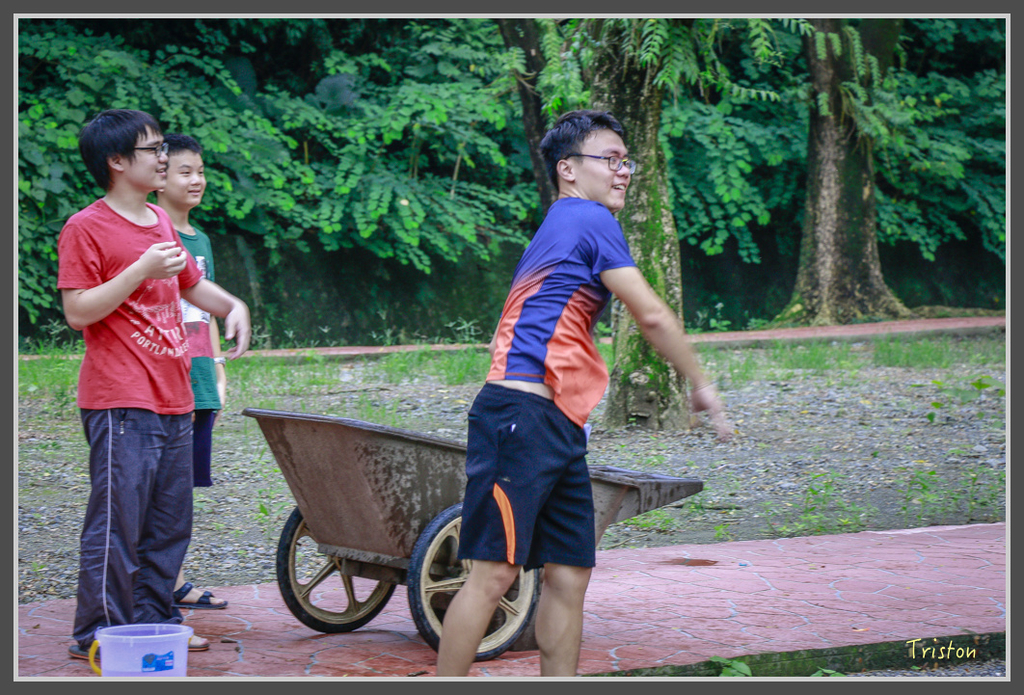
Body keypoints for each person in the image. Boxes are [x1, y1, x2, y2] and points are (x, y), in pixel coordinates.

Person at [435, 110, 732, 677]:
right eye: (610, 160)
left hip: (559, 428)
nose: (623, 172)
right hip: (518, 418)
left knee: (569, 575)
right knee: (494, 574)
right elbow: (651, 315)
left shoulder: (570, 223)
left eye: (627, 162)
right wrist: (701, 383)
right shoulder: (586, 219)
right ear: (568, 170)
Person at [58, 109, 251, 660]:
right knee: (118, 525)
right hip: (120, 400)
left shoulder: (160, 221)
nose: (164, 157)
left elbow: (194, 287)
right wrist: (138, 270)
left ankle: (152, 618)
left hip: (175, 397)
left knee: (169, 524)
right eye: (153, 149)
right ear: (117, 162)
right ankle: (95, 633)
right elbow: (78, 312)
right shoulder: (86, 227)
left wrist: (233, 306)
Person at [155, 133, 229, 611]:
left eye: (200, 171)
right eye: (185, 171)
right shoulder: (155, 235)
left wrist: (218, 371)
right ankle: (158, 584)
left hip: (200, 378)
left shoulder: (200, 239)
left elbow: (206, 312)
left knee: (183, 490)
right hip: (164, 380)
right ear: (159, 177)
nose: (197, 180)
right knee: (161, 488)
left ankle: (172, 579)